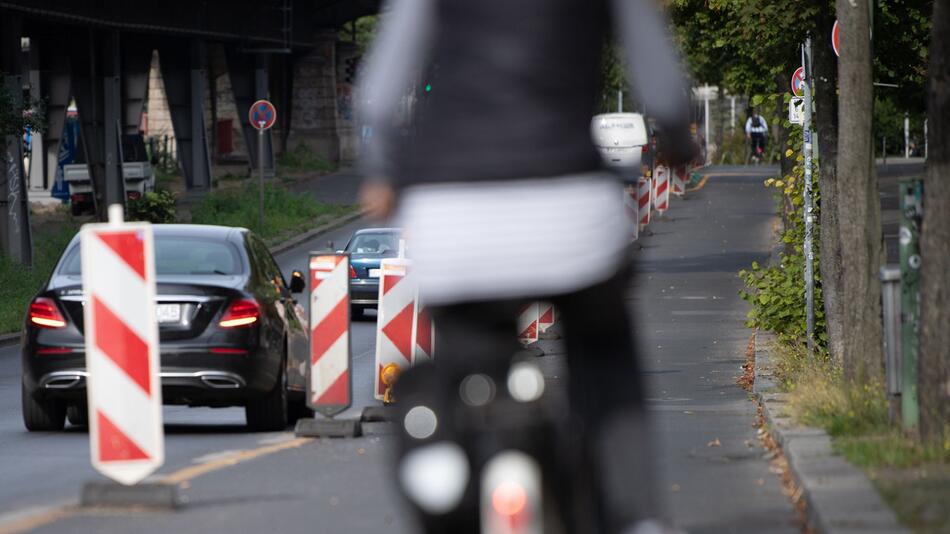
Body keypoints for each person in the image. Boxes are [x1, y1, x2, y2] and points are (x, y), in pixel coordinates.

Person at [357, 1, 698, 532]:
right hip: (568, 208)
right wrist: (677, 137)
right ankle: (635, 519)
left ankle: (447, 460)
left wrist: (382, 172)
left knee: (463, 361)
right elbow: (658, 77)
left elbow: (377, 97)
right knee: (605, 356)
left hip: (450, 217)